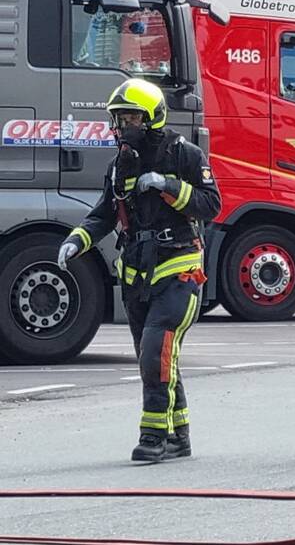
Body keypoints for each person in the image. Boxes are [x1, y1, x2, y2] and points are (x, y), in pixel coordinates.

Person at [57, 78, 221, 462]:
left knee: (154, 352)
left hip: (178, 268)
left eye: (129, 118)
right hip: (136, 275)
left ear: (151, 118)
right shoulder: (119, 165)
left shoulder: (185, 155)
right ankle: (179, 435)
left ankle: (153, 436)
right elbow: (104, 214)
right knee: (158, 358)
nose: (121, 127)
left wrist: (168, 185)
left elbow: (211, 205)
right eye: (117, 119)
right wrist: (76, 240)